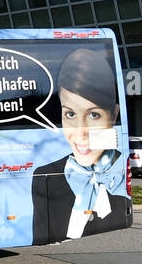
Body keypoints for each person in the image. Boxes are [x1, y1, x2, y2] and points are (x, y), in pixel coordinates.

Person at [31, 50, 129, 244]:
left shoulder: (120, 176)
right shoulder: (44, 177)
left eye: (93, 115)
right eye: (70, 114)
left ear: (114, 115)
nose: (80, 132)